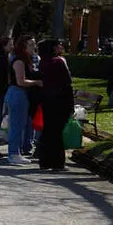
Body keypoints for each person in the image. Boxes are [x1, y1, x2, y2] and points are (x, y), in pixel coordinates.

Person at [36, 39, 74, 171]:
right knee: (57, 131)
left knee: (48, 129)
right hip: (60, 99)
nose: (61, 47)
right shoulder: (59, 61)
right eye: (59, 45)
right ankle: (57, 162)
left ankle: (45, 160)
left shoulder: (43, 62)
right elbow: (67, 81)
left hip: (47, 98)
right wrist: (71, 104)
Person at [6, 34, 42, 165]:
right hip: (18, 93)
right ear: (23, 46)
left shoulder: (27, 60)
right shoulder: (19, 61)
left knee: (19, 124)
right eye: (31, 44)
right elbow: (21, 81)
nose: (34, 47)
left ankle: (16, 152)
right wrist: (36, 82)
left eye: (34, 44)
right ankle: (13, 154)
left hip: (20, 94)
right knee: (16, 125)